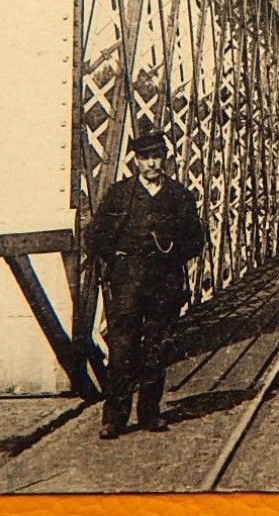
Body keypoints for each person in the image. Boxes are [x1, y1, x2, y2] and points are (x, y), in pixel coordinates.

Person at [80, 121, 207, 439]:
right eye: (145, 157)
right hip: (127, 284)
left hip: (164, 283)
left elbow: (196, 239)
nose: (151, 163)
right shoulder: (121, 195)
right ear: (135, 160)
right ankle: (115, 417)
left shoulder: (180, 196)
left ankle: (150, 413)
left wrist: (174, 251)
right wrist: (118, 257)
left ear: (164, 159)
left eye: (157, 156)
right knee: (122, 348)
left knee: (156, 349)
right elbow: (94, 235)